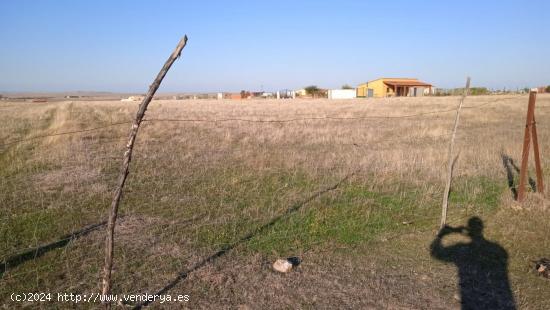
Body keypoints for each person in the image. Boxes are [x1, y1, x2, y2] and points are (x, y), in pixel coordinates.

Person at [430, 217, 515, 310]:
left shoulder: (461, 249)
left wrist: (441, 235)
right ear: (482, 228)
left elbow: (435, 253)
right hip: (494, 300)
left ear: (469, 229)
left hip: (471, 299)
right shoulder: (497, 249)